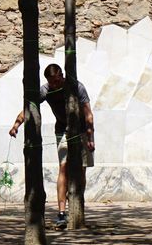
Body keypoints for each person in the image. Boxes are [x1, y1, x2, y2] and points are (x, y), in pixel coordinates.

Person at [9, 64, 95, 229]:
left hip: (82, 130)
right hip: (62, 130)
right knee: (63, 167)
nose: (54, 85)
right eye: (51, 82)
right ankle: (62, 213)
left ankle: (76, 202)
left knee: (81, 169)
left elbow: (88, 113)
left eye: (57, 81)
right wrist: (16, 125)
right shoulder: (46, 90)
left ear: (62, 75)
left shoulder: (77, 87)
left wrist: (90, 136)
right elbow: (29, 108)